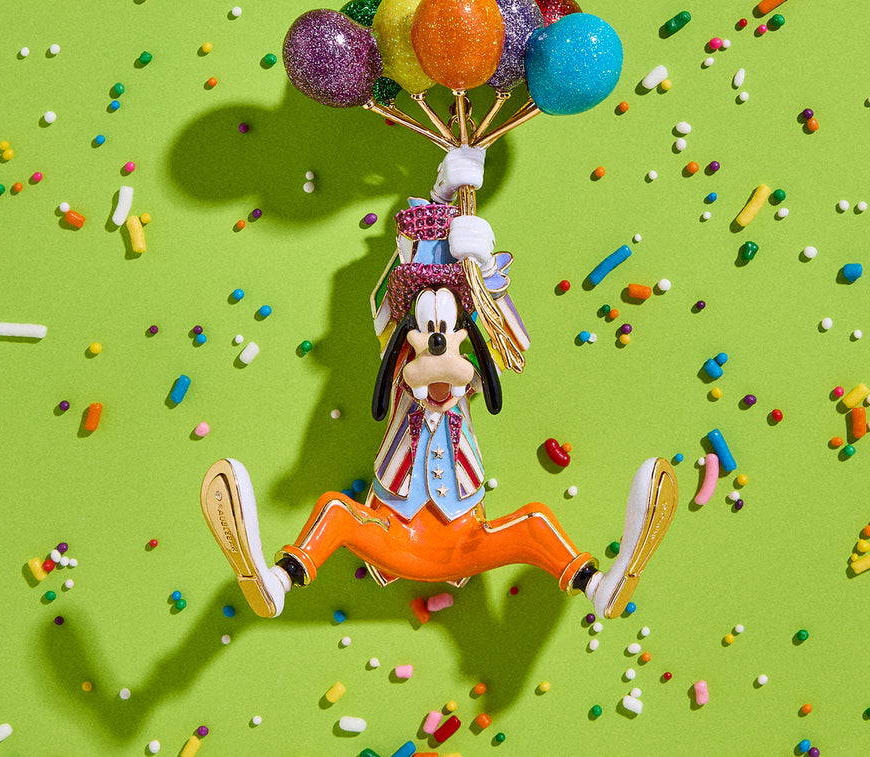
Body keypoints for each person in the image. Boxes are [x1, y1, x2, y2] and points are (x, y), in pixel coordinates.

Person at [200, 145, 677, 619]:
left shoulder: (472, 363)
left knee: (535, 522)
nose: (438, 352)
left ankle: (600, 587)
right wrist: (439, 198)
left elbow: (512, 347)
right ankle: (275, 581)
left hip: (465, 543)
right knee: (336, 511)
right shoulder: (398, 357)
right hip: (392, 535)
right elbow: (390, 302)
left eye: (448, 337)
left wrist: (485, 272)